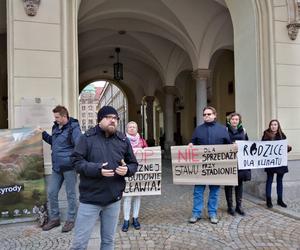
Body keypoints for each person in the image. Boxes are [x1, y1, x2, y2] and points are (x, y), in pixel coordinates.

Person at [70, 106, 138, 250]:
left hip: (113, 199)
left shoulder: (123, 140)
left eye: (115, 118)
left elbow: (133, 164)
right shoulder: (86, 138)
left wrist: (127, 170)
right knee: (79, 243)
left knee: (108, 242)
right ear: (100, 120)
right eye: (108, 117)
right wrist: (97, 169)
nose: (112, 121)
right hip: (90, 199)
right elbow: (76, 162)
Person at [40, 105, 81, 232]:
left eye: (57, 117)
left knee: (71, 194)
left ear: (64, 116)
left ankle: (71, 220)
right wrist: (43, 134)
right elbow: (54, 142)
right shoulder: (56, 127)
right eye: (55, 117)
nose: (55, 119)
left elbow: (79, 145)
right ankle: (55, 219)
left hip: (69, 167)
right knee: (52, 192)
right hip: (57, 167)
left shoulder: (73, 128)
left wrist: (74, 162)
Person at [188, 106, 231, 224]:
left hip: (216, 167)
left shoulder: (223, 129)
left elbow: (229, 147)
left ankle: (212, 213)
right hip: (201, 167)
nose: (206, 116)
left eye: (209, 114)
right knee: (198, 191)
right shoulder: (198, 129)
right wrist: (191, 144)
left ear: (215, 115)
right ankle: (196, 213)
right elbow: (193, 143)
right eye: (205, 114)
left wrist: (234, 146)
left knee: (215, 191)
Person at [121, 121, 148, 232]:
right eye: (130, 127)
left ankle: (135, 218)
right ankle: (126, 220)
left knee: (137, 196)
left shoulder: (142, 141)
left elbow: (149, 154)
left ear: (137, 129)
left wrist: (145, 151)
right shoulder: (122, 141)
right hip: (128, 171)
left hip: (140, 173)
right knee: (127, 197)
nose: (132, 128)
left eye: (134, 127)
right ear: (127, 129)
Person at [224, 113, 251, 216]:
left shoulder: (243, 130)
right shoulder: (225, 130)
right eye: (233, 119)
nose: (235, 121)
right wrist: (231, 145)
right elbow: (222, 143)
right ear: (229, 120)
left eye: (237, 119)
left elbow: (247, 144)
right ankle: (230, 206)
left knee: (239, 183)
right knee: (229, 184)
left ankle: (238, 206)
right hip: (229, 160)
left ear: (239, 121)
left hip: (240, 161)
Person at [262, 119, 292, 208]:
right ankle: (268, 200)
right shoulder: (266, 135)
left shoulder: (282, 135)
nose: (273, 126)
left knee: (280, 181)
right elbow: (262, 148)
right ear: (269, 126)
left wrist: (288, 148)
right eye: (272, 124)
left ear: (278, 126)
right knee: (269, 180)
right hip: (270, 162)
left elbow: (284, 150)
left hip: (280, 162)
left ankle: (280, 200)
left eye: (275, 124)